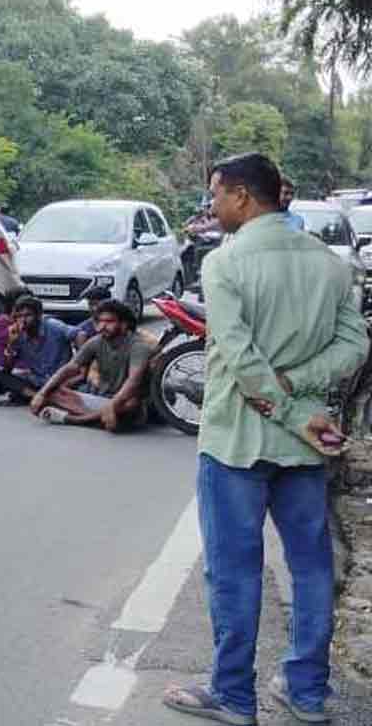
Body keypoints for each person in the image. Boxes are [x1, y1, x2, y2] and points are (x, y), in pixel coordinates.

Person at [161, 153, 368, 726]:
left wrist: (286, 403)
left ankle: (233, 695)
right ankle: (306, 692)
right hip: (305, 447)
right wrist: (303, 397)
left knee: (234, 570)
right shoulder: (329, 264)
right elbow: (355, 344)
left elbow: (236, 354)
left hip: (236, 443)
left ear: (243, 197)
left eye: (216, 195)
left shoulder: (226, 263)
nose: (213, 205)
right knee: (311, 566)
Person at [29, 299, 150, 431]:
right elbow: (71, 367)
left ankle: (73, 419)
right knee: (53, 393)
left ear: (124, 324)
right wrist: (41, 393)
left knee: (131, 403)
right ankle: (99, 419)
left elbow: (134, 381)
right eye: (100, 321)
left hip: (124, 400)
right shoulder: (97, 341)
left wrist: (112, 406)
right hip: (102, 397)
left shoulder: (138, 346)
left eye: (109, 322)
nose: (102, 326)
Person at [0, 296, 75, 404]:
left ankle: (36, 396)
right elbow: (7, 369)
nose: (23, 320)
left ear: (38, 316)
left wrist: (79, 366)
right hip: (37, 380)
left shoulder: (53, 326)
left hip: (60, 380)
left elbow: (80, 334)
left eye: (28, 315)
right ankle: (39, 397)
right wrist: (11, 343)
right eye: (19, 316)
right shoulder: (18, 334)